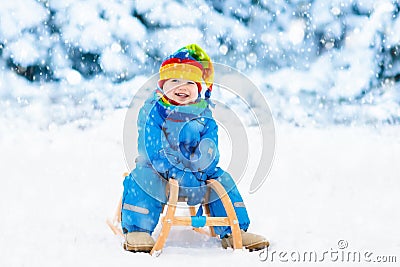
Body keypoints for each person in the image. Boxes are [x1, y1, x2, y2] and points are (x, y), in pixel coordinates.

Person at [121, 44, 268, 252]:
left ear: (199, 89)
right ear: (162, 86)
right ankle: (138, 230)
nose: (182, 86)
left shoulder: (204, 115)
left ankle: (233, 231)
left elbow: (210, 147)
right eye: (174, 81)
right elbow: (150, 146)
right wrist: (173, 168)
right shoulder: (153, 112)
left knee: (222, 180)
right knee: (143, 179)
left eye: (190, 82)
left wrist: (200, 166)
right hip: (159, 171)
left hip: (195, 175)